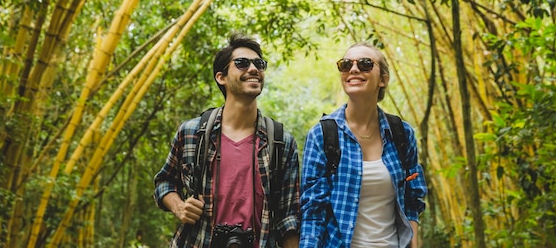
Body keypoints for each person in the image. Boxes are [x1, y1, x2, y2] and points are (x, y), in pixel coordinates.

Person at [154, 33, 300, 248]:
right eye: (242, 63)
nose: (253, 69)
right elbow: (164, 182)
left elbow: (289, 218)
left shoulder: (281, 142)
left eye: (259, 64)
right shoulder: (192, 132)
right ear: (221, 77)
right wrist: (179, 207)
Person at [300, 42, 427, 248]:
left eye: (366, 64)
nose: (354, 69)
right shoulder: (323, 135)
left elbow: (413, 199)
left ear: (383, 79)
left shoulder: (401, 134)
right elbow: (313, 212)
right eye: (346, 64)